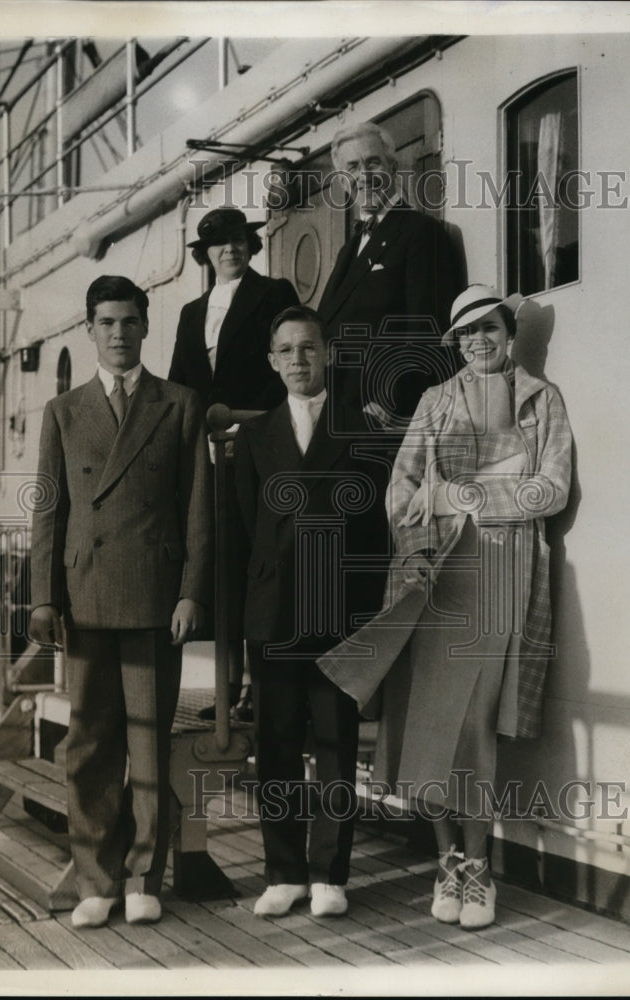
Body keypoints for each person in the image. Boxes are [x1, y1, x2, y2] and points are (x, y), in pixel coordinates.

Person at [318, 284, 573, 929]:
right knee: (430, 719)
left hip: (501, 575)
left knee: (476, 725)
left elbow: (552, 488)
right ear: (455, 344)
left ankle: (479, 868)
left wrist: (468, 495)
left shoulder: (541, 399)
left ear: (508, 333)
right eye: (465, 334)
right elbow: (401, 489)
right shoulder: (434, 401)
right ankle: (445, 861)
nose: (477, 341)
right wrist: (435, 517)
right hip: (436, 573)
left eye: (487, 329)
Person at [28, 275, 213, 929]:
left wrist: (192, 590)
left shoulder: (179, 404)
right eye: (106, 322)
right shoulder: (63, 412)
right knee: (89, 743)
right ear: (89, 329)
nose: (118, 333)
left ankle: (142, 878)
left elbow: (198, 511)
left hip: (155, 599)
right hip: (85, 597)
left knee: (149, 744)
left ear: (144, 326)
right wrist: (42, 598)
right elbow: (48, 511)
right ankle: (95, 881)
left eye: (129, 321)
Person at [234, 305, 389, 918]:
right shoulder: (255, 436)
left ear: (326, 354)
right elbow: (246, 529)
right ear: (273, 361)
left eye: (309, 348)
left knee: (334, 745)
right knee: (273, 743)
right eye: (287, 350)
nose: (299, 360)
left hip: (337, 613)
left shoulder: (359, 430)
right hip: (273, 614)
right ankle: (284, 873)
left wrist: (365, 617)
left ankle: (329, 874)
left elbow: (374, 533)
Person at [169, 207, 299, 721]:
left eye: (240, 240)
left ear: (251, 246)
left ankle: (259, 690)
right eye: (221, 243)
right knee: (221, 561)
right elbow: (182, 381)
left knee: (258, 557)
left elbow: (283, 362)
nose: (232, 249)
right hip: (211, 452)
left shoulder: (275, 294)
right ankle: (227, 685)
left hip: (261, 441)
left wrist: (249, 419)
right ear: (206, 254)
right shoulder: (190, 311)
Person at [317, 120, 461, 431]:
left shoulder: (420, 232)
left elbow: (427, 332)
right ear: (343, 182)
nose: (364, 176)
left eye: (373, 163)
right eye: (353, 167)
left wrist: (392, 405)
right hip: (341, 417)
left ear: (393, 167)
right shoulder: (349, 250)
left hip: (386, 419)